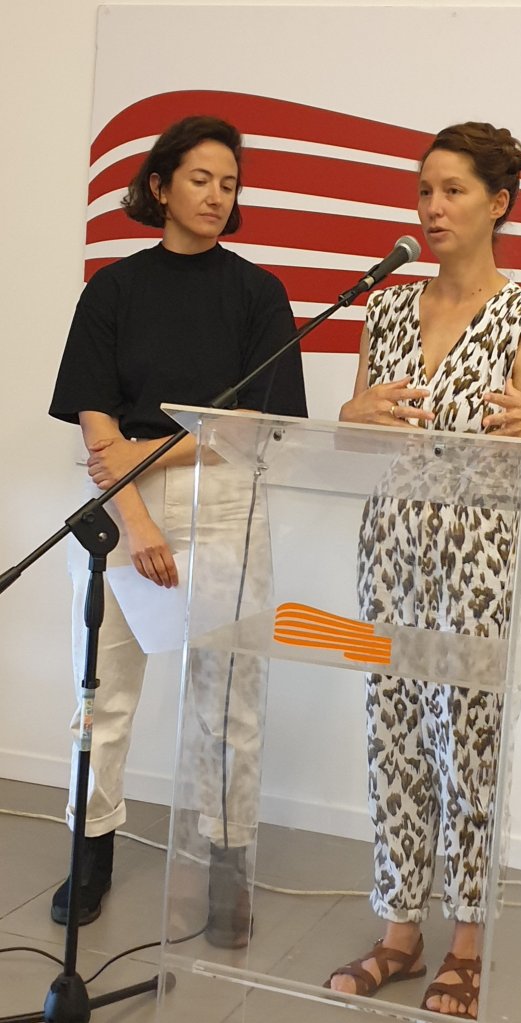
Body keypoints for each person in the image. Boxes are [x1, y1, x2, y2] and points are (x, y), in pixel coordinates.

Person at [325, 122, 521, 1018]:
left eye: (453, 190)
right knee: (392, 735)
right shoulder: (386, 310)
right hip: (389, 552)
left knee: (468, 746)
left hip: (480, 564)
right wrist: (350, 414)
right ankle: (400, 931)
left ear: (498, 202)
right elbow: (356, 441)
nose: (432, 207)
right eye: (424, 190)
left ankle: (468, 939)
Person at [48, 115, 308, 938]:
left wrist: (145, 454)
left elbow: (256, 424)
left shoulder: (258, 294)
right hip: (122, 504)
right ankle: (90, 850)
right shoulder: (113, 289)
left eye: (229, 184)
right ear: (159, 186)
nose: (216, 195)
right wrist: (135, 516)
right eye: (200, 178)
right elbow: (94, 415)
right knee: (101, 691)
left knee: (230, 700)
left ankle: (227, 862)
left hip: (223, 496)